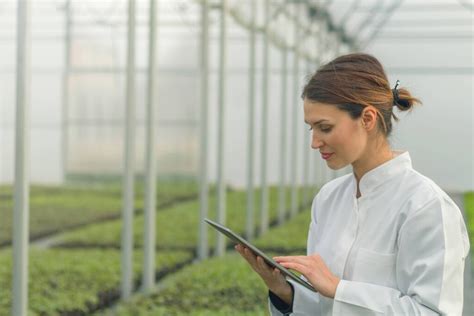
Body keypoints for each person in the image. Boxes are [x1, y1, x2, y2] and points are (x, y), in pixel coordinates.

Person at [235, 53, 470, 315]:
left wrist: (339, 289)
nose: (314, 142)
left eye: (324, 127)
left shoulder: (426, 206)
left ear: (367, 119)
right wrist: (286, 293)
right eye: (310, 128)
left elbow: (433, 311)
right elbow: (323, 305)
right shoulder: (329, 198)